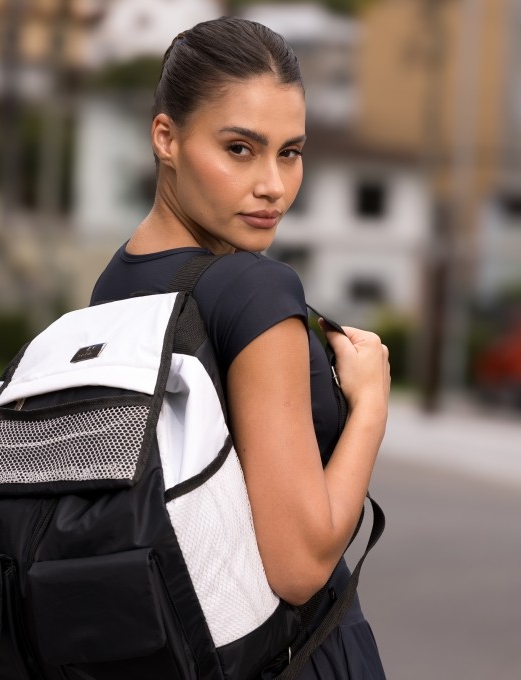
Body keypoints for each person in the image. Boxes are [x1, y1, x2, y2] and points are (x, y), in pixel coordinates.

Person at [90, 16, 391, 680]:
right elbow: (301, 565)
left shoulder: (114, 287)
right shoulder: (254, 291)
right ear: (165, 137)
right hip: (286, 657)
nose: (273, 186)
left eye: (290, 152)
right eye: (239, 149)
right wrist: (369, 402)